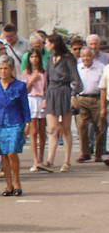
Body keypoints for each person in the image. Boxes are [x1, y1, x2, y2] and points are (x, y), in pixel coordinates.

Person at [0, 58, 30, 196]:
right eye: (0, 69)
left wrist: (28, 123)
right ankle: (8, 184)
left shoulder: (20, 86)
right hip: (0, 123)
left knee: (12, 152)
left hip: (15, 121)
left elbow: (25, 106)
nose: (3, 71)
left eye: (5, 68)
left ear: (12, 70)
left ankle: (17, 181)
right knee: (4, 155)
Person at [43, 34, 82, 172]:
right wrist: (45, 97)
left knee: (65, 128)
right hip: (52, 92)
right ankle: (49, 160)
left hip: (64, 92)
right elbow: (47, 80)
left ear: (53, 43)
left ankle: (66, 161)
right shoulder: (49, 59)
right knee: (52, 128)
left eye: (47, 43)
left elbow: (77, 80)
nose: (45, 45)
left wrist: (73, 95)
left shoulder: (68, 58)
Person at [73, 46, 105, 162]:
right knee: (81, 126)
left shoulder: (100, 67)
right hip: (81, 98)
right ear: (81, 57)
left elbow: (104, 85)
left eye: (88, 55)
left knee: (100, 128)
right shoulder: (77, 68)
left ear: (92, 56)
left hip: (97, 99)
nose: (86, 58)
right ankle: (85, 152)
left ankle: (98, 154)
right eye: (84, 56)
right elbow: (72, 84)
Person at [21, 49, 48, 172]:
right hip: (31, 99)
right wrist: (32, 80)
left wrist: (46, 99)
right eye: (32, 57)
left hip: (41, 99)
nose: (34, 59)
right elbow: (24, 90)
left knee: (42, 131)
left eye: (36, 57)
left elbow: (47, 87)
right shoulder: (26, 72)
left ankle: (41, 158)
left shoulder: (44, 72)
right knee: (33, 131)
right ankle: (35, 159)